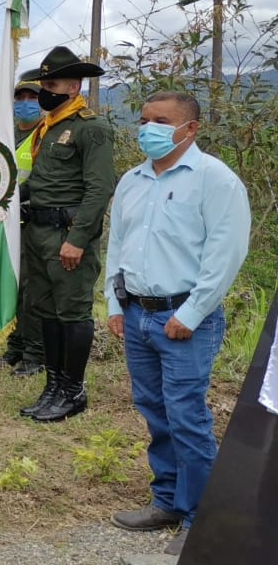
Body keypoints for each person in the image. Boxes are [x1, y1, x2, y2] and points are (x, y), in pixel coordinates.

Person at [105, 91, 249, 556]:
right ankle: (167, 500)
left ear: (191, 128)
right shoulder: (132, 180)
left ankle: (200, 517)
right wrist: (113, 302)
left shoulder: (215, 181)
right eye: (144, 119)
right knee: (154, 411)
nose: (149, 128)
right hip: (138, 314)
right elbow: (118, 243)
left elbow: (224, 256)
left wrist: (191, 314)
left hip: (185, 319)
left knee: (187, 416)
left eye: (161, 121)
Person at [16, 47, 115, 422]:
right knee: (46, 312)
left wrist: (77, 239)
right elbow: (39, 183)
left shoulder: (92, 129)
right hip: (38, 232)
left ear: (73, 86)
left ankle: (73, 391)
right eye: (43, 83)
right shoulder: (49, 127)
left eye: (52, 83)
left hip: (67, 234)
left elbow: (99, 189)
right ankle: (54, 385)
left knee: (72, 314)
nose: (45, 89)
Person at [0, 80, 46, 376]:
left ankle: (34, 354)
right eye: (20, 97)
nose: (25, 103)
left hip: (32, 223)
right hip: (7, 222)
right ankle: (14, 347)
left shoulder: (45, 135)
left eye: (32, 97)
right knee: (12, 289)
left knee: (31, 292)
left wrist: (13, 198)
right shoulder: (8, 135)